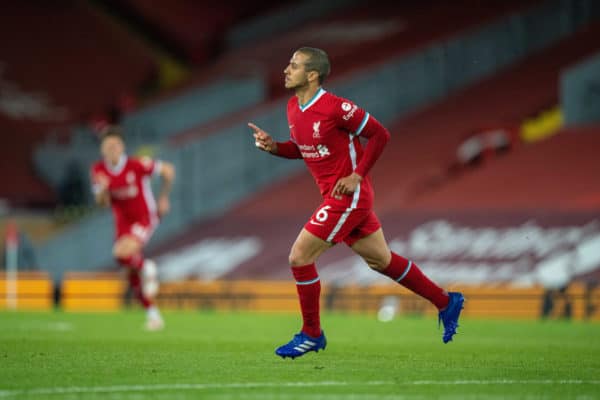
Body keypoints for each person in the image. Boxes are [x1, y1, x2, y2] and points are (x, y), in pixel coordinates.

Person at [249, 47, 464, 359]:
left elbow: (380, 135)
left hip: (349, 197)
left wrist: (357, 176)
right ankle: (446, 302)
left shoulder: (337, 108)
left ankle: (312, 333)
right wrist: (276, 148)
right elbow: (305, 148)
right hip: (335, 197)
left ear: (312, 74)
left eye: (293, 65)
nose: (285, 70)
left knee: (299, 257)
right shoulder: (293, 107)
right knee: (381, 260)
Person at [90, 127, 175, 330]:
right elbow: (102, 203)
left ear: (122, 146)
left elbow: (168, 171)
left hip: (144, 217)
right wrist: (102, 189)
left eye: (115, 145)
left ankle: (146, 267)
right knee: (128, 269)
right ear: (102, 149)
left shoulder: (136, 165)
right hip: (122, 222)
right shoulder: (98, 171)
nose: (112, 149)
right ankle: (153, 315)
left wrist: (163, 197)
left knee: (121, 252)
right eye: (107, 145)